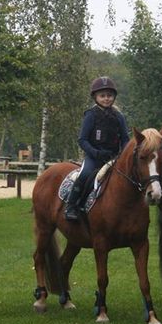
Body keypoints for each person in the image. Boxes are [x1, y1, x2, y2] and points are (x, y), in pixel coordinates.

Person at [65, 77, 130, 221]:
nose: (106, 99)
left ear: (114, 97)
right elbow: (82, 140)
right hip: (94, 157)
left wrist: (125, 153)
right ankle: (72, 206)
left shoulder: (119, 117)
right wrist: (96, 153)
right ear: (95, 97)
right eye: (102, 96)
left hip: (114, 157)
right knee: (85, 174)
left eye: (109, 95)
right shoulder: (91, 115)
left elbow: (125, 138)